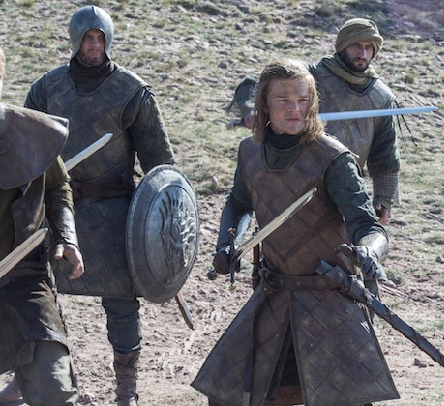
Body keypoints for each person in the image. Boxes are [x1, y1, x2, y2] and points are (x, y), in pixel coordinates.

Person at [192, 59, 399, 405]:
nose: (295, 109)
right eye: (283, 100)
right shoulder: (250, 152)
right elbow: (239, 204)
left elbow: (368, 226)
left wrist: (369, 250)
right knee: (227, 394)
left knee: (344, 398)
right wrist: (228, 244)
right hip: (273, 293)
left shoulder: (333, 158)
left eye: (303, 100)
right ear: (264, 104)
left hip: (330, 297)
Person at [0, 5, 176, 406]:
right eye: (87, 39)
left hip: (116, 213)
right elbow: (25, 153)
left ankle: (126, 388)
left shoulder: (132, 91)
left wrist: (162, 226)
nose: (94, 46)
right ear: (74, 40)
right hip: (57, 211)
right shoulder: (47, 88)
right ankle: (31, 378)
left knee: (121, 301)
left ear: (109, 40)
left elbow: (160, 166)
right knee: (39, 296)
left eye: (100, 38)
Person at [230, 17, 400, 226]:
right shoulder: (310, 75)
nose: (362, 54)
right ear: (343, 46)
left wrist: (384, 198)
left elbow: (385, 154)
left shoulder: (381, 98)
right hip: (296, 175)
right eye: (356, 45)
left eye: (368, 47)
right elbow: (253, 83)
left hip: (344, 185)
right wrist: (251, 109)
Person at [0, 45, 85, 406]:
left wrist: (67, 237)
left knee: (54, 389)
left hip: (24, 281)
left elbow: (57, 186)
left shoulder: (32, 133)